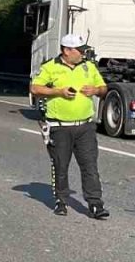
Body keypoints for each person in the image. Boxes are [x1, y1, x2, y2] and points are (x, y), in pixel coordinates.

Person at [30, 34, 111, 220]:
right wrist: (59, 91)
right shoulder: (50, 67)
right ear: (66, 50)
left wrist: (96, 90)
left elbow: (104, 88)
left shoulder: (88, 67)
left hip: (85, 126)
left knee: (90, 166)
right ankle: (61, 200)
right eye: (79, 50)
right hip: (59, 127)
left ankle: (95, 205)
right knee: (61, 165)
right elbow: (35, 88)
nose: (83, 53)